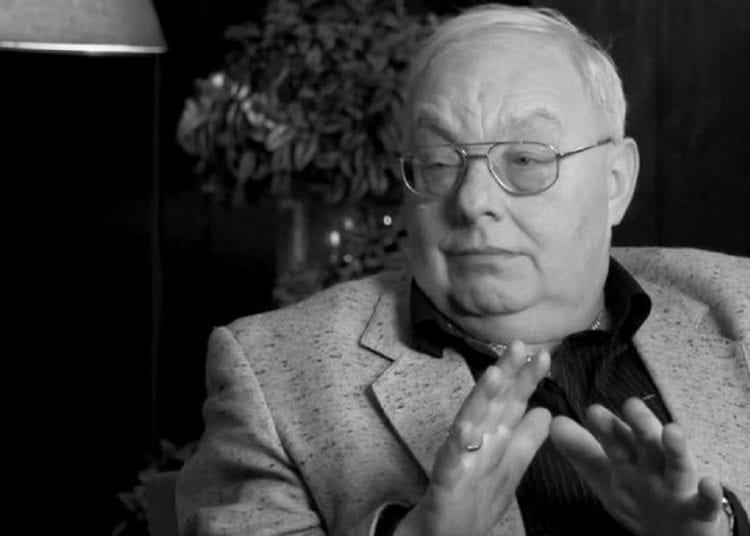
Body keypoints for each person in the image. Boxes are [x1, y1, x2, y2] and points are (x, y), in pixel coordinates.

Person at [176, 4, 750, 535]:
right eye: (437, 162)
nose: (473, 201)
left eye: (525, 159)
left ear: (616, 182)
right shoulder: (272, 375)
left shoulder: (740, 305)